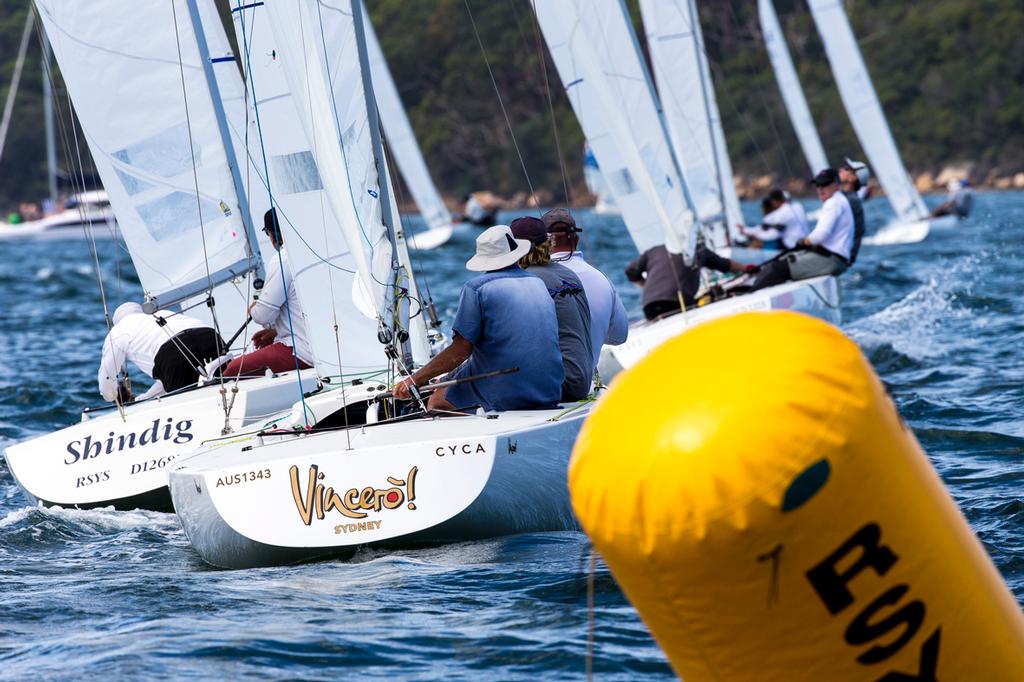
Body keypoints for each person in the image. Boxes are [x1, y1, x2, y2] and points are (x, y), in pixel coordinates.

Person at [394, 224, 563, 412]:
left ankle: (487, 425)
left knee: (436, 402)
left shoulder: (477, 288)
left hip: (508, 391)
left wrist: (415, 379)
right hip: (550, 390)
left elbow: (460, 352)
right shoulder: (537, 283)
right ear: (515, 251)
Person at [510, 216, 594, 401]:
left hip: (560, 385)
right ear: (548, 243)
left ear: (513, 250)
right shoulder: (569, 275)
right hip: (581, 381)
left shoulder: (526, 281)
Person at [222, 208, 313, 377]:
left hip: (304, 353)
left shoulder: (283, 259)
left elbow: (262, 316)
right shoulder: (315, 249)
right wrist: (276, 332)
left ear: (274, 235)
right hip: (330, 349)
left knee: (232, 369)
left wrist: (253, 308)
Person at [542, 208, 628, 364]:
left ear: (541, 243)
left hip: (548, 385)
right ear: (576, 239)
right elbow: (620, 336)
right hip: (585, 383)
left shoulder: (535, 281)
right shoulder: (603, 280)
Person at [98, 302, 225, 403]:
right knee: (227, 387)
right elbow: (165, 382)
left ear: (116, 323)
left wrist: (114, 396)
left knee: (185, 404)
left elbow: (107, 377)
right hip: (211, 337)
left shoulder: (117, 331)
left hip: (173, 354)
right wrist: (142, 399)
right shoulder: (160, 315)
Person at [750, 169, 854, 290]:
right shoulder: (841, 200)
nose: (820, 189)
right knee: (781, 263)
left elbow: (821, 235)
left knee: (776, 268)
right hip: (836, 261)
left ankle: (750, 296)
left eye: (824, 185)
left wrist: (805, 241)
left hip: (830, 261)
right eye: (818, 185)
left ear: (836, 185)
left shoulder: (832, 203)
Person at [626, 243, 746, 321]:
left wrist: (645, 284)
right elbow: (725, 265)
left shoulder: (653, 251)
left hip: (649, 307)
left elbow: (630, 271)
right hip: (677, 305)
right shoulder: (696, 249)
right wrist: (747, 269)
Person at [741, 188, 809, 251]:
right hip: (804, 241)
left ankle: (744, 259)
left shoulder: (781, 213)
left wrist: (755, 235)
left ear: (774, 201)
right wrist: (748, 231)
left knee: (758, 242)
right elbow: (766, 227)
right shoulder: (798, 206)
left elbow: (774, 234)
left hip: (792, 245)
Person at [838, 164, 867, 265]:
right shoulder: (846, 198)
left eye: (846, 169)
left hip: (842, 255)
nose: (841, 169)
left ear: (852, 178)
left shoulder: (851, 200)